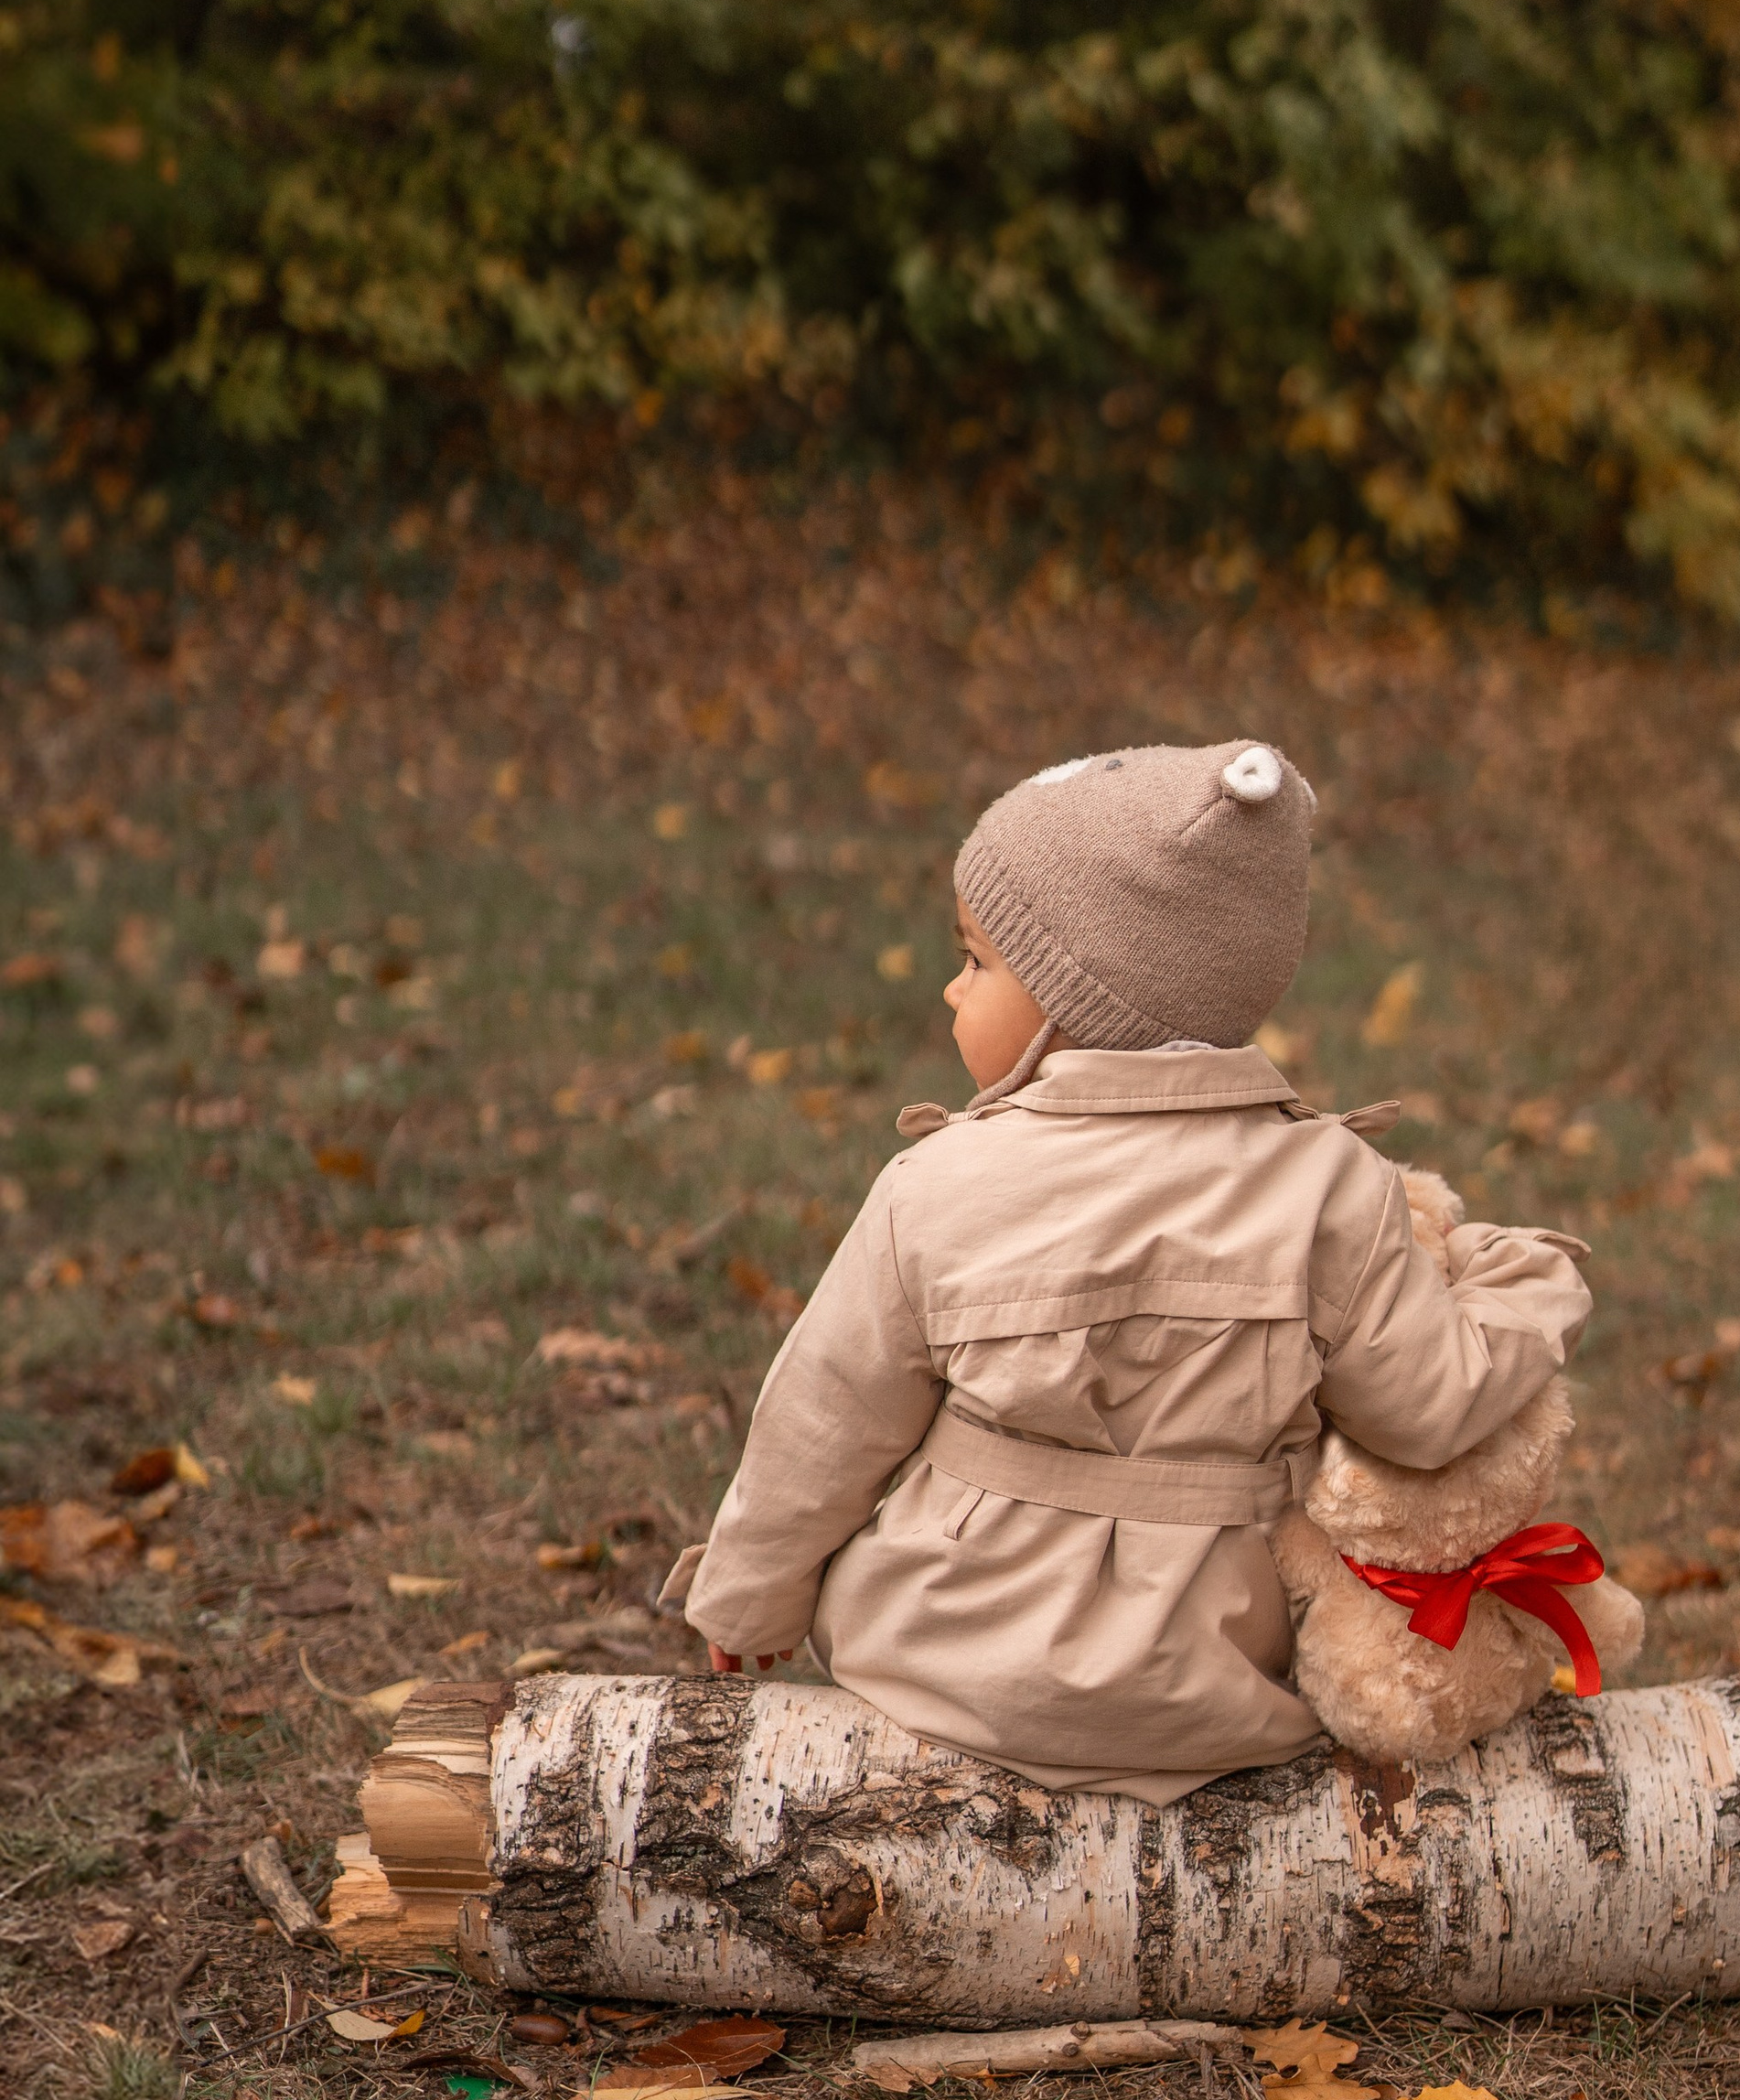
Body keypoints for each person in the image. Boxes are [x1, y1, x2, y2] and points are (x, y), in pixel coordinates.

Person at [667, 739, 1593, 1802]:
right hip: (1213, 1688)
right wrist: (1528, 1280)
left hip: (943, 1658)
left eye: (976, 962)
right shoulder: (1334, 1186)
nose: (947, 988)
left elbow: (822, 1422)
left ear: (1074, 998)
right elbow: (1429, 1410)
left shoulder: (938, 1183)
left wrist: (746, 1605)